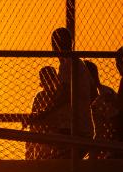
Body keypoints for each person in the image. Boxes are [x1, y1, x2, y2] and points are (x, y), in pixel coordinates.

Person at [29, 28, 94, 158]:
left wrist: (44, 113)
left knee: (59, 164)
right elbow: (92, 94)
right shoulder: (78, 64)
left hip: (73, 129)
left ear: (54, 46)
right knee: (63, 163)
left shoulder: (67, 65)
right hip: (82, 126)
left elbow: (64, 96)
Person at [24, 66, 61, 159]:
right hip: (42, 134)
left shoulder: (60, 95)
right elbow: (34, 114)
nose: (47, 81)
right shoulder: (40, 96)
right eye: (45, 78)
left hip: (54, 133)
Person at [84, 60, 119, 156]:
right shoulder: (88, 94)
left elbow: (113, 121)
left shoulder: (105, 95)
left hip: (107, 143)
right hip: (99, 142)